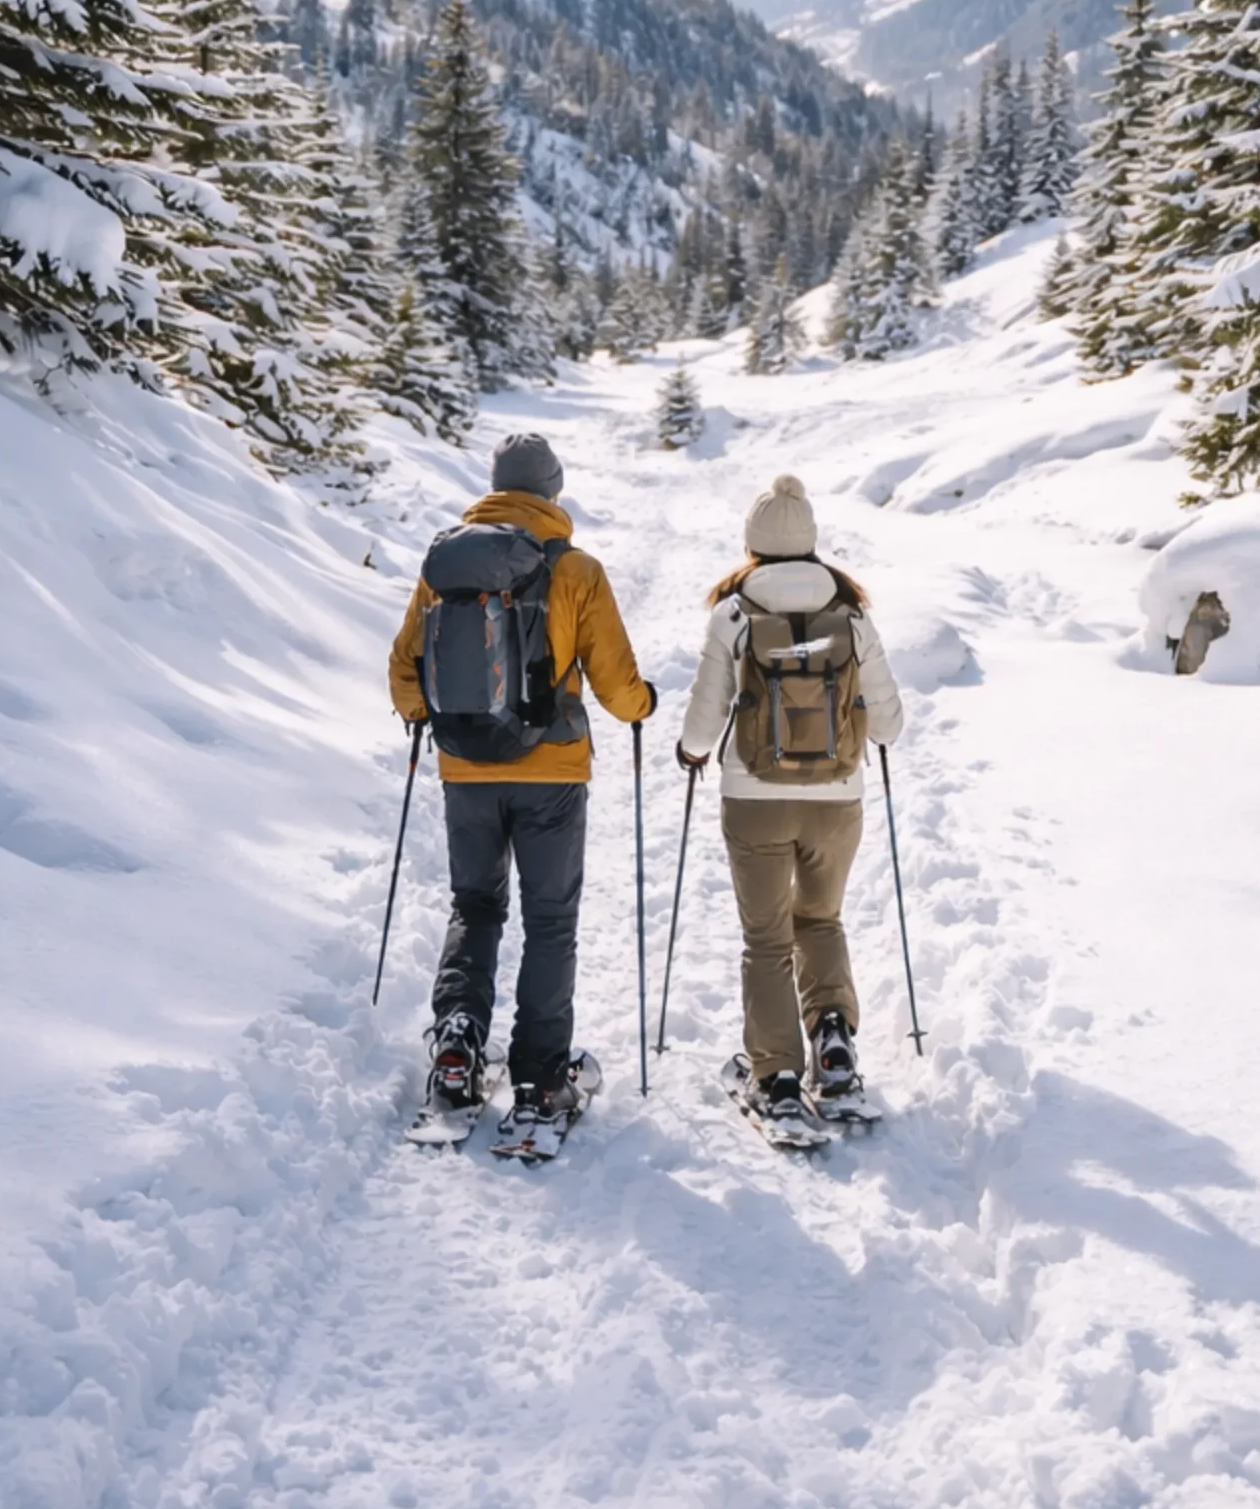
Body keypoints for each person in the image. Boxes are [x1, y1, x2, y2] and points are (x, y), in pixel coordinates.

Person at [387, 430, 652, 1139]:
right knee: (550, 921)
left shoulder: (446, 564)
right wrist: (643, 706)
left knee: (474, 906)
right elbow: (617, 686)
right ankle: (541, 1077)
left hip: (465, 771)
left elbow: (405, 666)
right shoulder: (576, 570)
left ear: (496, 485)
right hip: (553, 774)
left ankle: (456, 1045)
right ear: (554, 491)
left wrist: (429, 720)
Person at [676, 472, 904, 1130]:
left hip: (754, 798)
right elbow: (888, 723)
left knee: (768, 938)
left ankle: (775, 1075)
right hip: (837, 798)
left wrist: (692, 753)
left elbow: (704, 715)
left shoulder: (735, 611)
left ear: (752, 542)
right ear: (810, 540)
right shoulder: (852, 611)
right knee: (822, 920)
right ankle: (832, 1042)